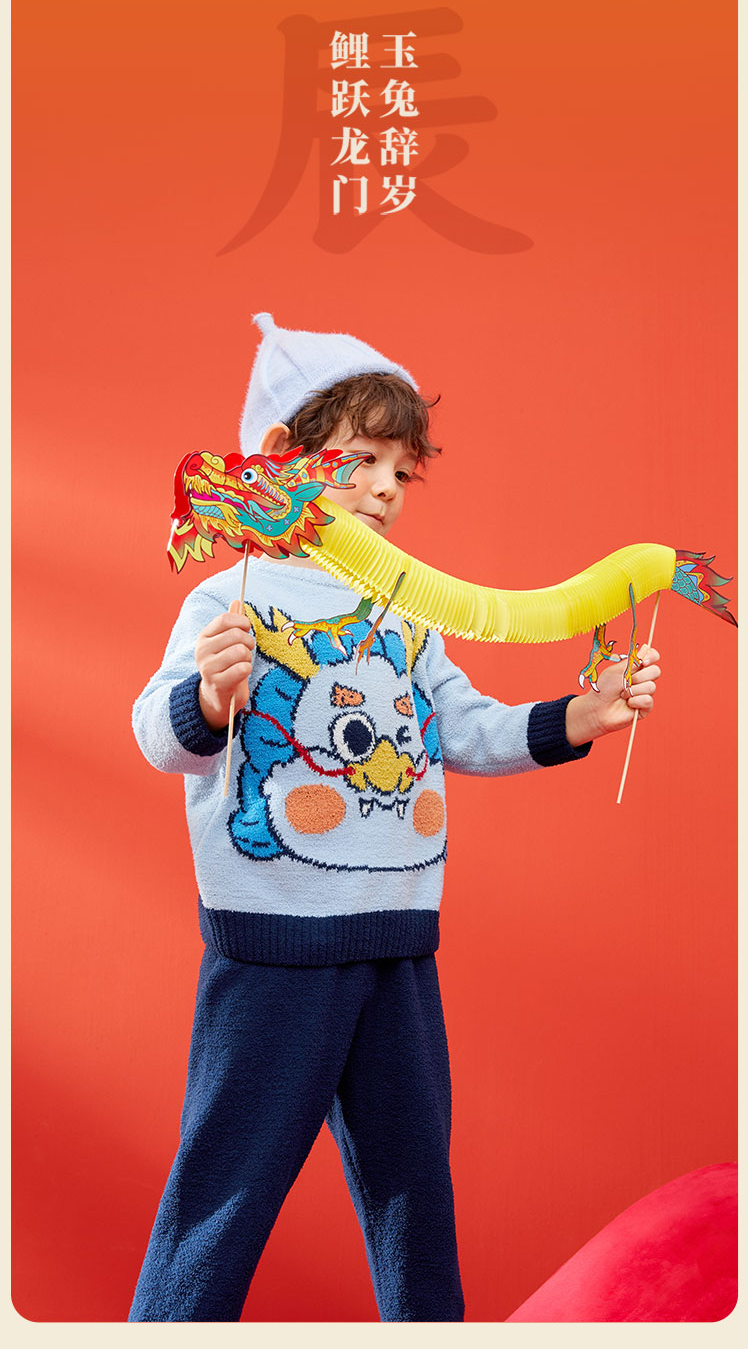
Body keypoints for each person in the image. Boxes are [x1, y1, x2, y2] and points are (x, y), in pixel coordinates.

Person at [128, 312, 661, 1322]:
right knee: (225, 1193)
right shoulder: (226, 600)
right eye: (361, 460)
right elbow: (159, 737)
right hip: (274, 953)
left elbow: (466, 726)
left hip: (400, 947)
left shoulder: (406, 611)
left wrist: (579, 716)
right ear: (281, 454)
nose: (384, 488)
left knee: (415, 1194)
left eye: (402, 471)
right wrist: (207, 698)